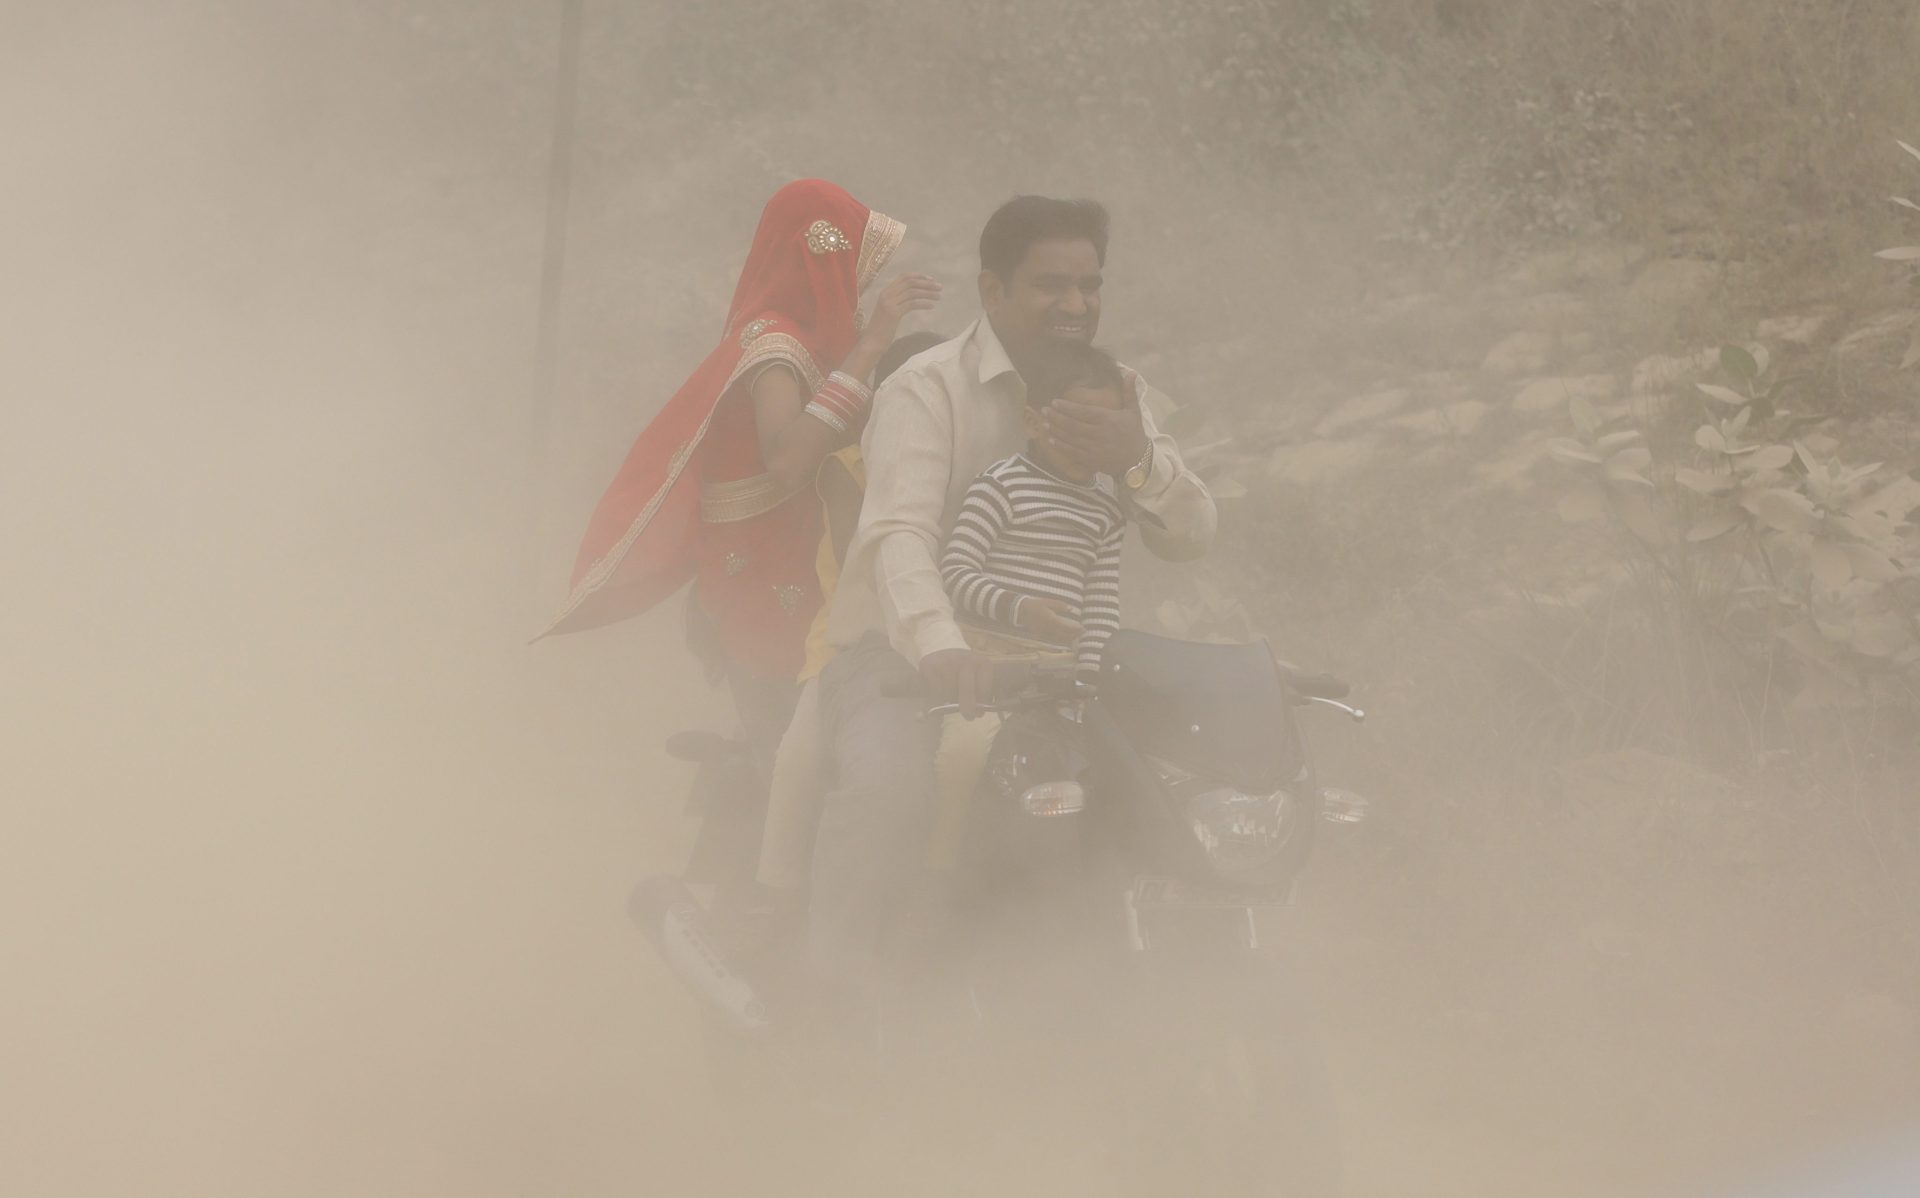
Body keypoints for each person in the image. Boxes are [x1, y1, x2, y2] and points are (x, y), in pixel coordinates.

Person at [807, 195, 1217, 1024]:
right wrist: (940, 647)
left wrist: (1138, 460)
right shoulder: (925, 387)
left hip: (1060, 671)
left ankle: (1131, 991)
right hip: (899, 663)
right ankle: (832, 1006)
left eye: (1089, 285)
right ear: (992, 291)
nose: (1076, 304)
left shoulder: (1119, 392)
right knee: (892, 789)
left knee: (1181, 792)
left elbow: (1192, 535)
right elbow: (898, 535)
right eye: (1051, 285)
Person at [537, 180, 939, 783]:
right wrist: (874, 344)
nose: (858, 281)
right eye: (854, 263)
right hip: (766, 575)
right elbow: (787, 462)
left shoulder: (809, 342)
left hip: (805, 560)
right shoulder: (775, 345)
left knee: (827, 737)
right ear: (820, 257)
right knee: (794, 756)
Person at [755, 331, 946, 900]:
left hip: (946, 641)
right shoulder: (849, 468)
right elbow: (863, 559)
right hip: (851, 643)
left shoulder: (965, 465)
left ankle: (943, 887)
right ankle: (776, 891)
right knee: (801, 757)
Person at [939, 339, 1133, 675]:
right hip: (985, 659)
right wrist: (1019, 609)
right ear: (1032, 423)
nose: (1084, 445)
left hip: (1056, 670)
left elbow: (1100, 612)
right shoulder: (1001, 486)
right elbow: (955, 575)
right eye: (1071, 429)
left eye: (1098, 432)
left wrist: (1090, 683)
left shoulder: (1107, 512)